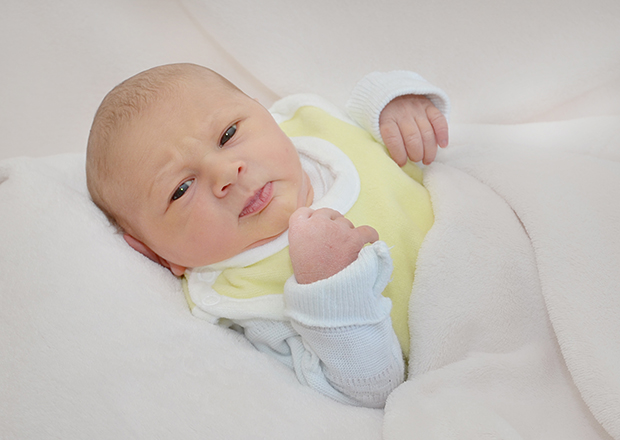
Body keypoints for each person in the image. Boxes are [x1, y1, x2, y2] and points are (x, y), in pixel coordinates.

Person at [86, 63, 450, 408]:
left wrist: (398, 108)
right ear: (156, 254)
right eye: (181, 189)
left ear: (262, 111)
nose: (226, 173)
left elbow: (380, 116)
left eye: (227, 135)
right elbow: (370, 390)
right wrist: (330, 289)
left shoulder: (311, 125)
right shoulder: (246, 297)